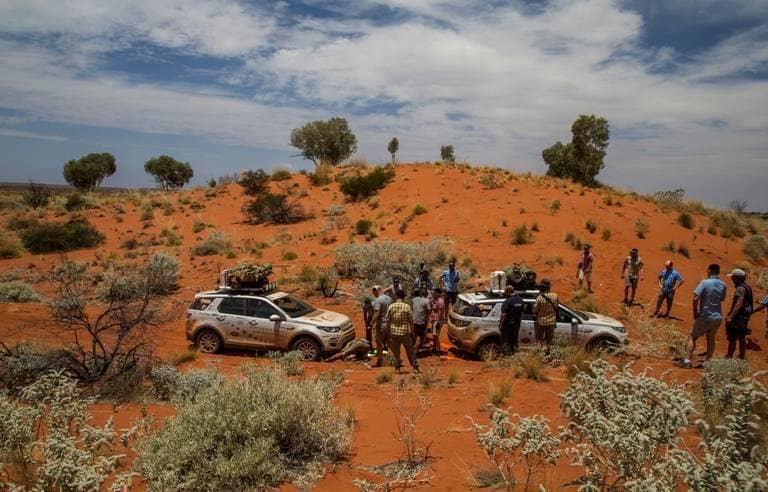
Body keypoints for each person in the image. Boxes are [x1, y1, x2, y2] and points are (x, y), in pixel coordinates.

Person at [681, 264, 727, 368]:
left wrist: (695, 312)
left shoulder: (705, 282)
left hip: (705, 315)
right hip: (717, 317)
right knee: (711, 339)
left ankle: (687, 360)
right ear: (718, 272)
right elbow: (722, 299)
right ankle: (708, 362)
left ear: (709, 270)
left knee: (693, 336)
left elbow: (695, 298)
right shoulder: (723, 285)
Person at [386, 290, 420, 373]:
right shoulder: (407, 307)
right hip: (404, 332)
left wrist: (388, 331)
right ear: (404, 297)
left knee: (396, 351)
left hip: (394, 332)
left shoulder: (391, 306)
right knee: (410, 350)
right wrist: (412, 332)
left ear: (396, 296)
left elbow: (388, 320)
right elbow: (411, 321)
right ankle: (414, 366)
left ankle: (397, 368)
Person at [725, 269, 754, 360]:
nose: (732, 279)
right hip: (745, 316)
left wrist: (731, 316)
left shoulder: (740, 288)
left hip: (738, 316)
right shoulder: (747, 287)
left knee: (733, 337)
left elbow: (739, 303)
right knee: (741, 336)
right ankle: (742, 356)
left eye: (733, 277)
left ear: (737, 278)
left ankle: (729, 357)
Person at [533, 279, 559, 354]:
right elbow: (556, 307)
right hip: (551, 322)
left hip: (541, 322)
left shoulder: (539, 298)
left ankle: (538, 355)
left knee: (539, 340)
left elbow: (535, 310)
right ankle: (546, 354)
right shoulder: (555, 296)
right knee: (548, 341)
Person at [498, 285, 524, 355]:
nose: (505, 295)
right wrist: (519, 323)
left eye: (505, 293)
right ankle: (514, 355)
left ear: (508, 292)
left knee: (506, 342)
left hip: (508, 325)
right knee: (514, 341)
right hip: (516, 325)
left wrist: (500, 325)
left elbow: (503, 314)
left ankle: (507, 357)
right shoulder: (520, 300)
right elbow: (521, 313)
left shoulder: (507, 301)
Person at [371, 286, 392, 366]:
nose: (374, 294)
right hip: (389, 323)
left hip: (381, 324)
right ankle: (397, 357)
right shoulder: (389, 299)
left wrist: (371, 323)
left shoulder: (378, 300)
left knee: (379, 342)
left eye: (375, 291)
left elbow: (377, 313)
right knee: (389, 341)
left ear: (379, 291)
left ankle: (379, 360)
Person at [411, 288, 431, 354]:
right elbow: (429, 310)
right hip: (421, 322)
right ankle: (414, 353)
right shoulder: (426, 301)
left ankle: (414, 349)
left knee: (415, 335)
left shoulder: (413, 300)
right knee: (420, 338)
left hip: (414, 321)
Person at [429, 288, 445, 355]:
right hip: (434, 319)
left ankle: (438, 350)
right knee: (434, 334)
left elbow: (440, 313)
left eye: (434, 293)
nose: (433, 294)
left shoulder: (440, 301)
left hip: (437, 320)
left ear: (438, 294)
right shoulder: (434, 300)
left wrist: (439, 322)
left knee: (436, 335)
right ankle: (435, 348)